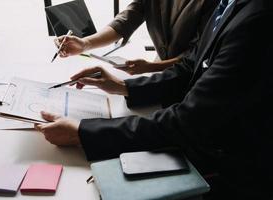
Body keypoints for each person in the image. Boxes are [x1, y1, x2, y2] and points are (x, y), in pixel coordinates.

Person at [36, 0, 273, 199]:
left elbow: (188, 121)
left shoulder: (257, 21)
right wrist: (124, 86)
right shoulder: (231, 4)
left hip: (230, 171)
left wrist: (83, 132)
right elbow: (191, 65)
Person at [56, 0, 219, 75]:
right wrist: (85, 43)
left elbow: (200, 53)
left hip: (192, 77)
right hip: (160, 71)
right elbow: (126, 19)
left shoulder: (215, 3)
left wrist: (151, 67)